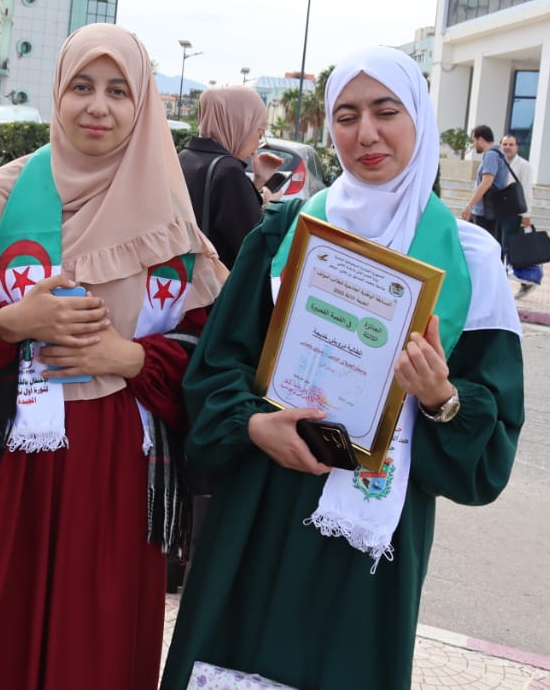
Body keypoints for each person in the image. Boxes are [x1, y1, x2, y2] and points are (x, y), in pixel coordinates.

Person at [160, 46, 525, 690]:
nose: (366, 134)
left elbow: (489, 454)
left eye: (386, 112)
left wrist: (440, 398)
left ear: (419, 118)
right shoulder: (287, 232)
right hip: (261, 514)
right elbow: (215, 369)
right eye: (347, 116)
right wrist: (252, 425)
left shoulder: (469, 261)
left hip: (371, 543)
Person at [0, 23, 226, 690]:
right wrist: (10, 322)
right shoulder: (1, 195)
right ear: (57, 92)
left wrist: (127, 357)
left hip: (111, 478)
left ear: (142, 104)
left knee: (90, 650)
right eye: (82, 86)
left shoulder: (171, 223)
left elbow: (208, 362)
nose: (97, 107)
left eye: (118, 90)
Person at [178, 87, 284, 268]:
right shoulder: (228, 171)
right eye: (259, 133)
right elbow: (254, 248)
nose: (256, 145)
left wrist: (258, 182)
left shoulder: (184, 157)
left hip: (177, 277)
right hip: (215, 283)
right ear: (240, 126)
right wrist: (269, 205)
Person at [500, 134, 543, 297]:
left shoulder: (524, 166)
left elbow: (526, 191)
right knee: (503, 248)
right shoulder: (499, 162)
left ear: (517, 147)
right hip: (500, 212)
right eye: (505, 144)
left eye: (511, 144)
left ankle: (527, 282)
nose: (507, 147)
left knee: (515, 249)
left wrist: (526, 215)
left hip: (516, 213)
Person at [461, 124, 510, 242]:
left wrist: (469, 205)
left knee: (479, 244)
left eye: (474, 141)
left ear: (481, 139)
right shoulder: (500, 153)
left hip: (484, 212)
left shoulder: (491, 155)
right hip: (491, 210)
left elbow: (486, 182)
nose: (474, 145)